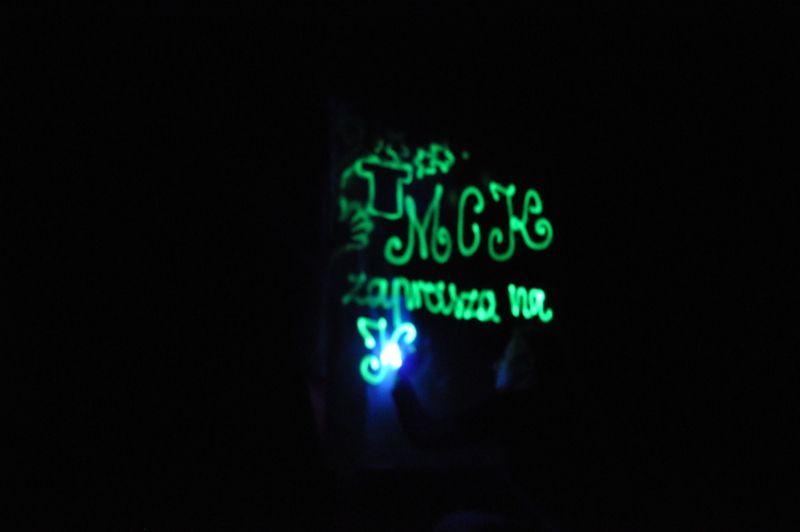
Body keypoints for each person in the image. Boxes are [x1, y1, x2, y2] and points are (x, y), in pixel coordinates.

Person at [391, 325, 592, 531]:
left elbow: (429, 434)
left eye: (505, 357)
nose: (496, 365)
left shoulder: (514, 407)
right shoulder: (559, 409)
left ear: (525, 367)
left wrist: (402, 377)